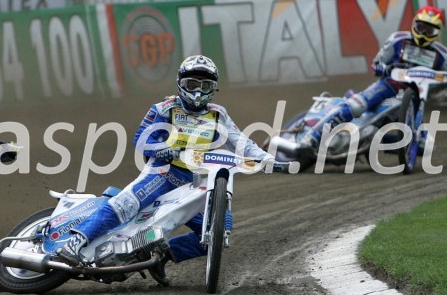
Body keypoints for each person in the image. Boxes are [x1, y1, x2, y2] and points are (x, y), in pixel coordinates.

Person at [57, 55, 282, 267]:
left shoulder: (218, 114)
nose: (197, 91)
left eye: (205, 86)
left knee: (218, 230)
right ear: (180, 83)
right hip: (162, 173)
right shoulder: (165, 108)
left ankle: (161, 256)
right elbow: (142, 137)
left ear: (213, 89)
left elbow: (240, 141)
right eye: (192, 84)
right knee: (124, 205)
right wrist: (162, 149)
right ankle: (75, 243)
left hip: (193, 184)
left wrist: (267, 158)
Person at [302, 7, 447, 149]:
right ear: (414, 25)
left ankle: (394, 140)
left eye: (429, 30)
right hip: (389, 86)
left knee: (427, 146)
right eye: (420, 27)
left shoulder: (442, 54)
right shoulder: (398, 39)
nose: (423, 33)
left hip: (416, 95)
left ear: (437, 32)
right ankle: (314, 137)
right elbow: (377, 62)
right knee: (356, 105)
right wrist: (383, 67)